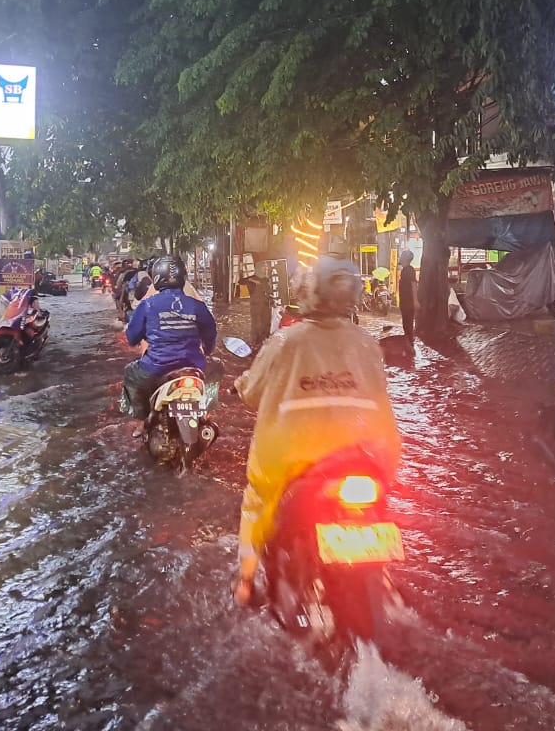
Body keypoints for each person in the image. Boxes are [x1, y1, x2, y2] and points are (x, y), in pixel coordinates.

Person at [232, 256, 403, 606]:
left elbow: (252, 392)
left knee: (257, 502)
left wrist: (240, 384)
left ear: (310, 293)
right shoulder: (366, 343)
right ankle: (382, 578)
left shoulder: (285, 342)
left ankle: (246, 582)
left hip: (293, 463)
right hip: (364, 459)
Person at [122, 255, 218, 421]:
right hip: (194, 366)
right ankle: (207, 411)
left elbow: (132, 337)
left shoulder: (148, 304)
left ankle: (140, 420)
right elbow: (210, 333)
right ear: (183, 277)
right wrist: (207, 352)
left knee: (130, 373)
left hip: (156, 367)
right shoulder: (197, 304)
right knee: (217, 368)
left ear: (157, 277)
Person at [397, 250, 418, 341]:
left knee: (408, 324)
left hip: (408, 302)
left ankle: (410, 344)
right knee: (406, 324)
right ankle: (409, 343)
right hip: (405, 302)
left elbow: (413, 285)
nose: (400, 257)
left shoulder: (409, 270)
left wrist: (415, 301)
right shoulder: (405, 270)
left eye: (401, 256)